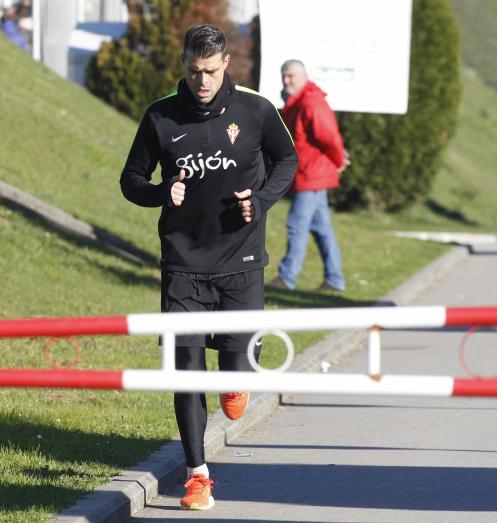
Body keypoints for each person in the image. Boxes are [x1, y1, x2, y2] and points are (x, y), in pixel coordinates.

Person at [120, 24, 297, 510]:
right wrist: (161, 192)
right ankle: (198, 475)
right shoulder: (160, 116)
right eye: (195, 71)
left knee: (235, 361)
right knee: (187, 371)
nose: (203, 81)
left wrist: (258, 202)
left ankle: (235, 378)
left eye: (212, 72)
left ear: (226, 68)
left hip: (240, 260)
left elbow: (287, 161)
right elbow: (131, 179)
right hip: (183, 264)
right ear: (183, 65)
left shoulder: (256, 109)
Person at [269, 59, 349, 293]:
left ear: (304, 77)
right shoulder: (297, 101)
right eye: (284, 76)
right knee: (321, 228)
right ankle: (335, 280)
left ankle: (286, 278)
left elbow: (330, 136)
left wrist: (339, 161)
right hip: (308, 173)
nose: (286, 81)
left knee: (296, 224)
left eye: (291, 76)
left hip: (312, 174)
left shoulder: (311, 102)